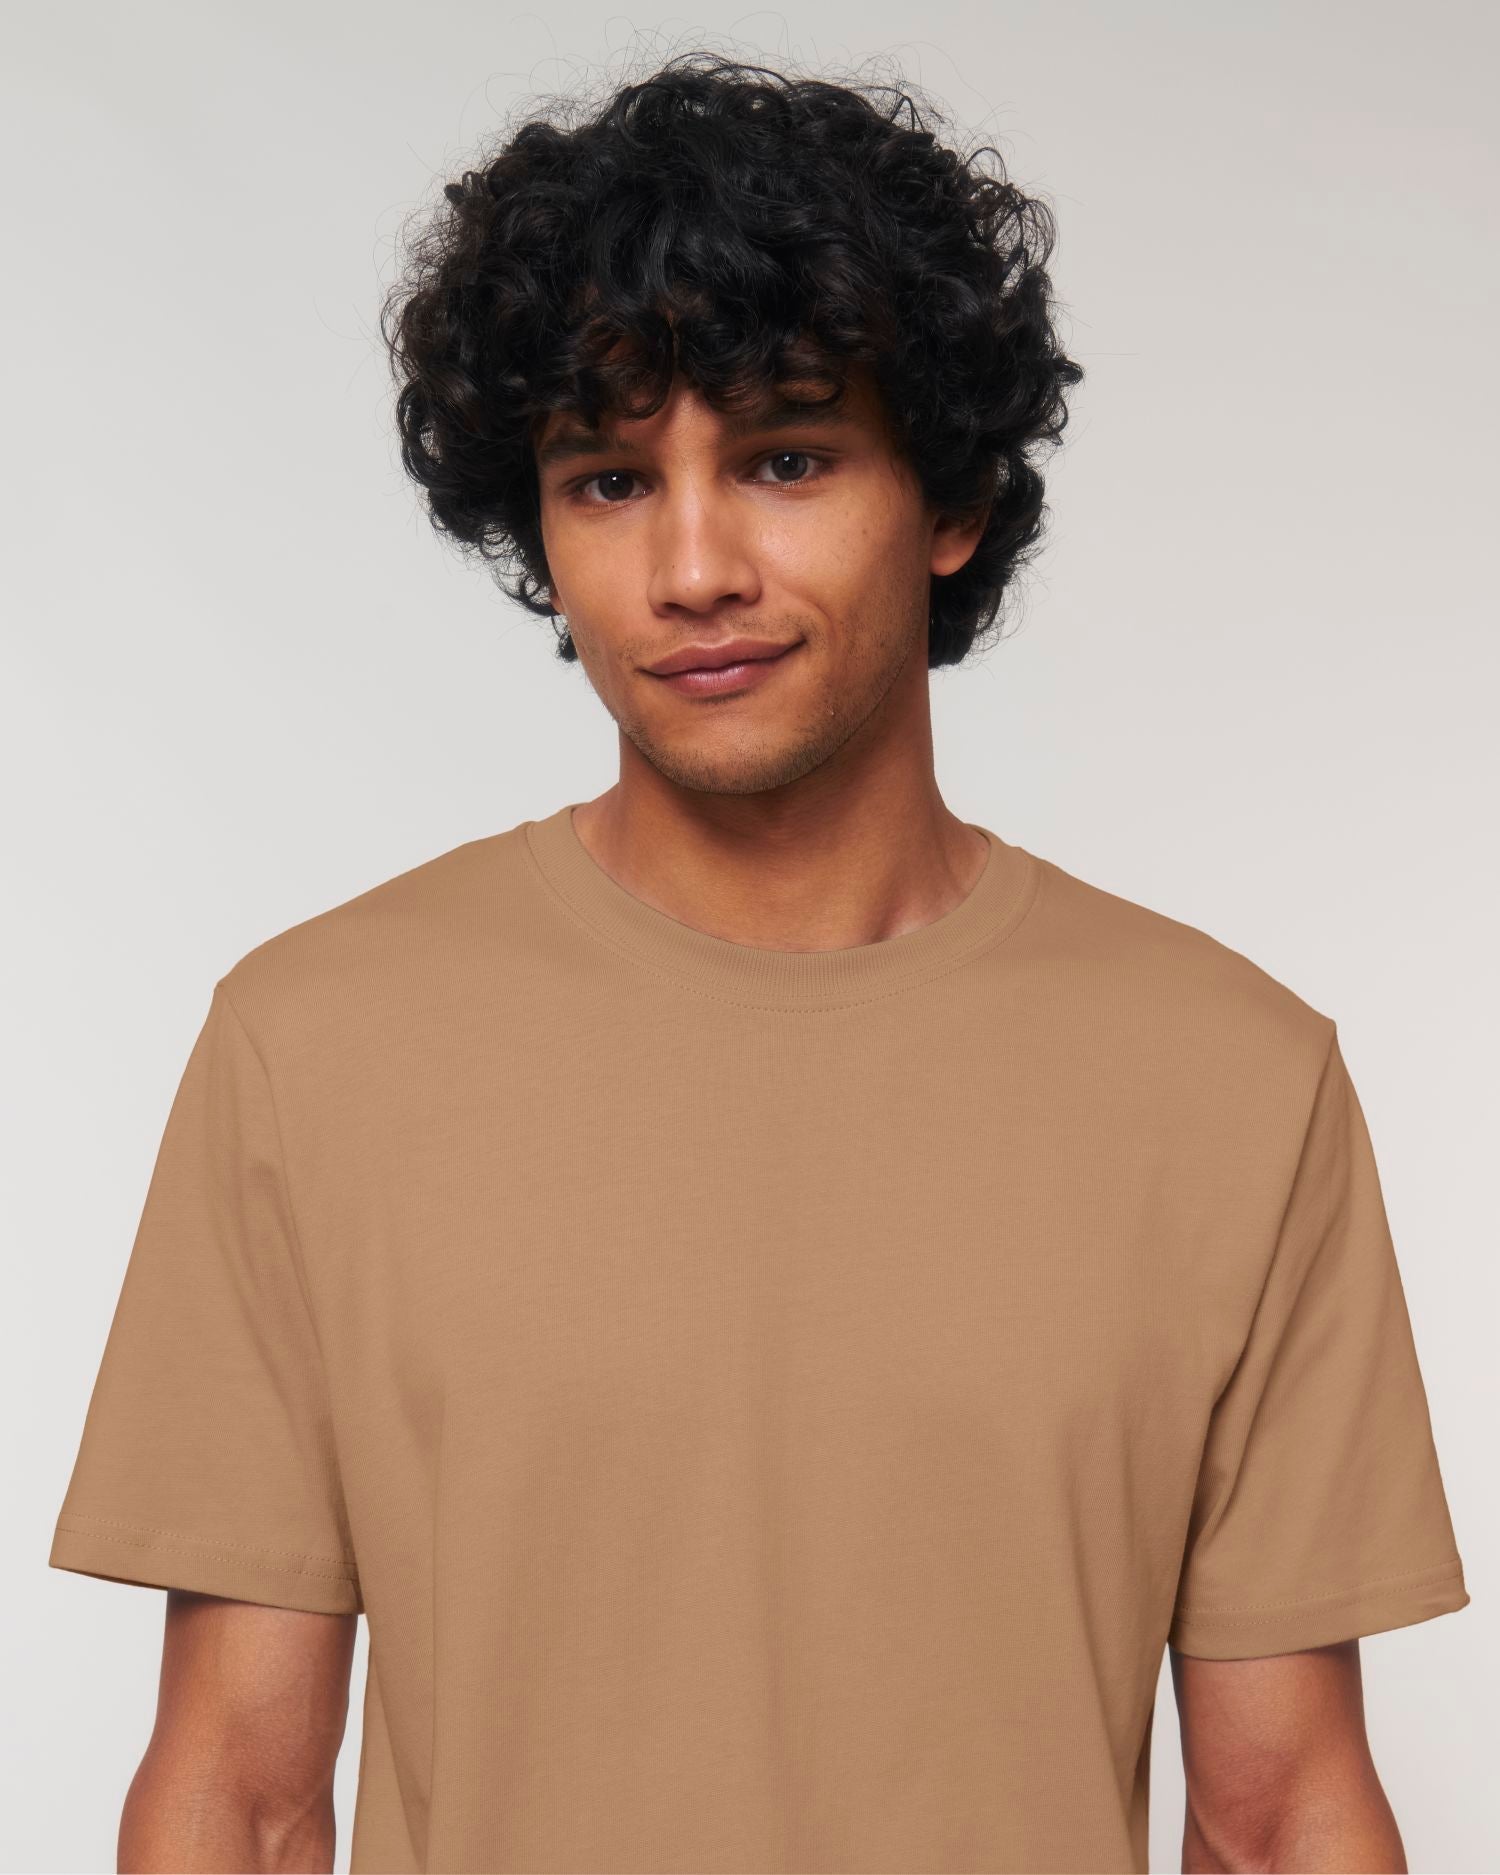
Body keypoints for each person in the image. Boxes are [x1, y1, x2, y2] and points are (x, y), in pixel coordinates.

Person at [49, 50, 1469, 1875]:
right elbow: (239, 1802)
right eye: (608, 479)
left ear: (951, 498)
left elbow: (1280, 1820)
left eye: (786, 457)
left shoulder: (1235, 1084)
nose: (693, 566)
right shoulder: (310, 1050)